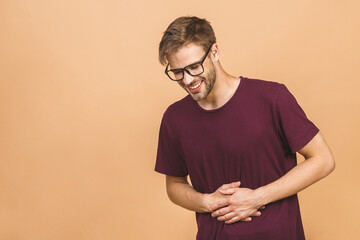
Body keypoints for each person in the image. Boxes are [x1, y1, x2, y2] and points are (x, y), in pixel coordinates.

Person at [154, 16, 335, 240]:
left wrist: (258, 197)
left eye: (193, 67)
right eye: (178, 72)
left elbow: (323, 159)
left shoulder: (272, 98)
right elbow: (174, 185)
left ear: (215, 52)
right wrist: (207, 202)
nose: (188, 79)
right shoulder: (174, 118)